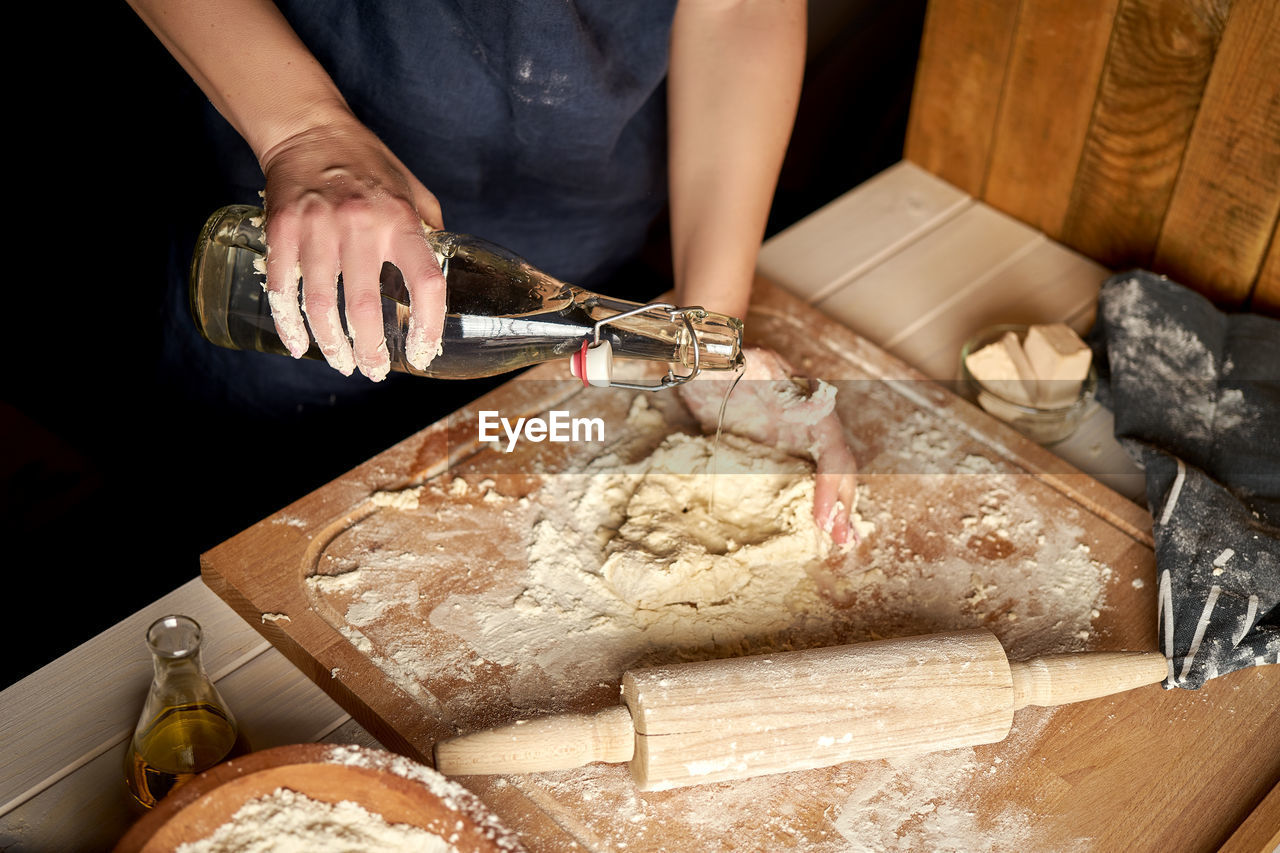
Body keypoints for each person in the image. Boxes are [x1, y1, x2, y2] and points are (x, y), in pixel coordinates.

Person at [128, 0, 857, 542]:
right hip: (296, 256)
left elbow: (737, 9)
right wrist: (302, 128)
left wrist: (706, 337)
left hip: (581, 237)